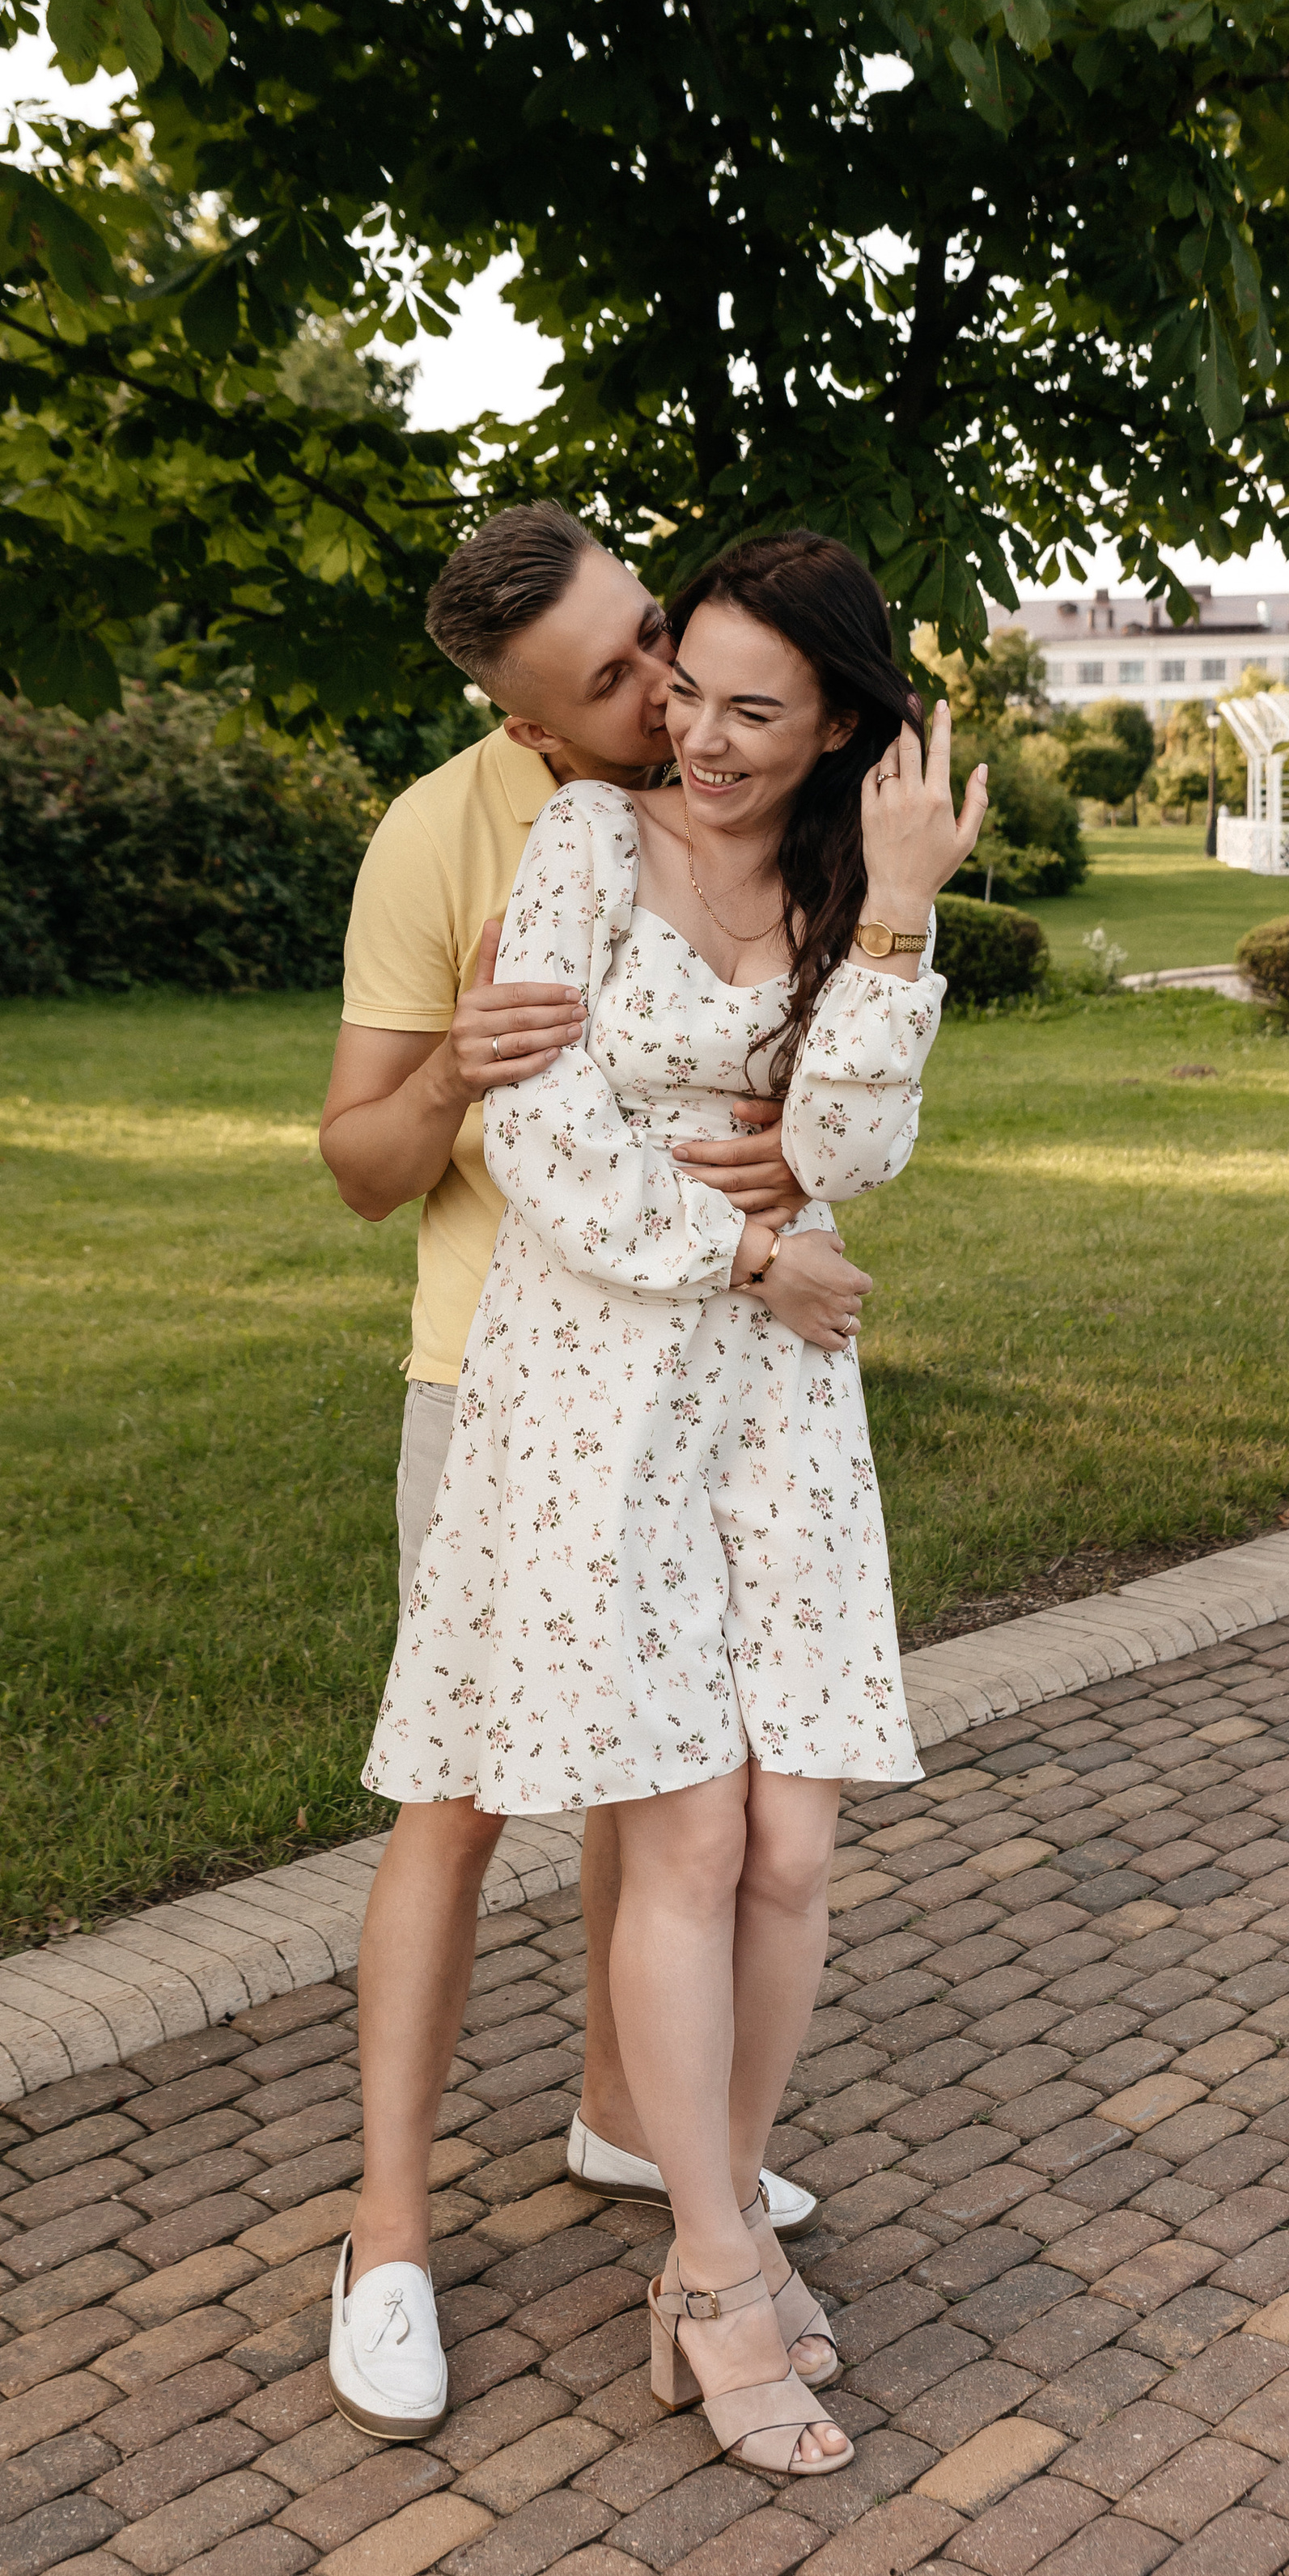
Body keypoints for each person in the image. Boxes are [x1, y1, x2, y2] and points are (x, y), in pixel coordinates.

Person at [363, 527, 987, 2477]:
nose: (696, 735)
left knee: (794, 1843)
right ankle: (710, 2270)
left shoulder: (840, 889)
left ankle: (707, 2189)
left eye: (747, 706)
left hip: (781, 1411)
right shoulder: (567, 846)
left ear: (833, 731)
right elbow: (535, 1138)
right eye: (676, 689)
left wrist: (892, 918)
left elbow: (848, 1149)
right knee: (683, 1841)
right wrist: (748, 1249)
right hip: (593, 1398)